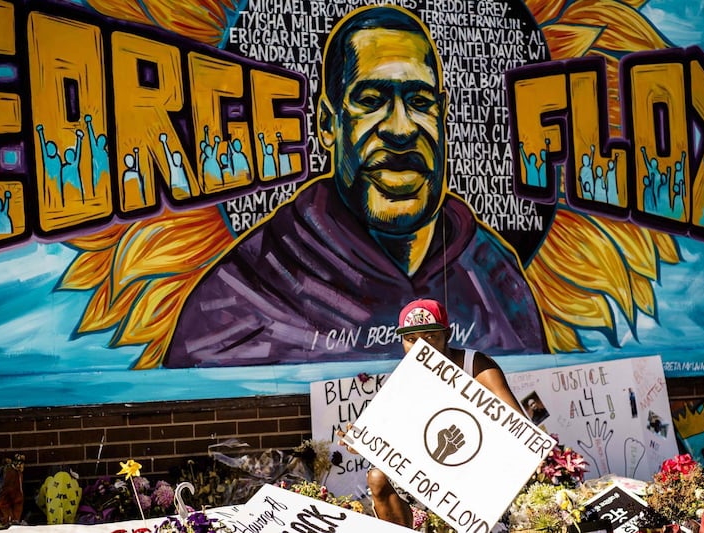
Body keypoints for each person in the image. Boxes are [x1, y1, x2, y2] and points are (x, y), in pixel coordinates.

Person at [163, 5, 546, 367]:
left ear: (443, 116)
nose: (401, 129)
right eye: (370, 99)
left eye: (419, 100)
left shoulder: (495, 277)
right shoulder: (240, 297)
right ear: (328, 125)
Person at [339, 299, 524, 527]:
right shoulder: (406, 379)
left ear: (447, 334)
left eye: (430, 337)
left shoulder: (475, 365)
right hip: (437, 467)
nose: (420, 347)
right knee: (377, 478)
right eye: (410, 339)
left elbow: (519, 425)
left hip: (478, 464)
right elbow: (395, 436)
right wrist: (364, 444)